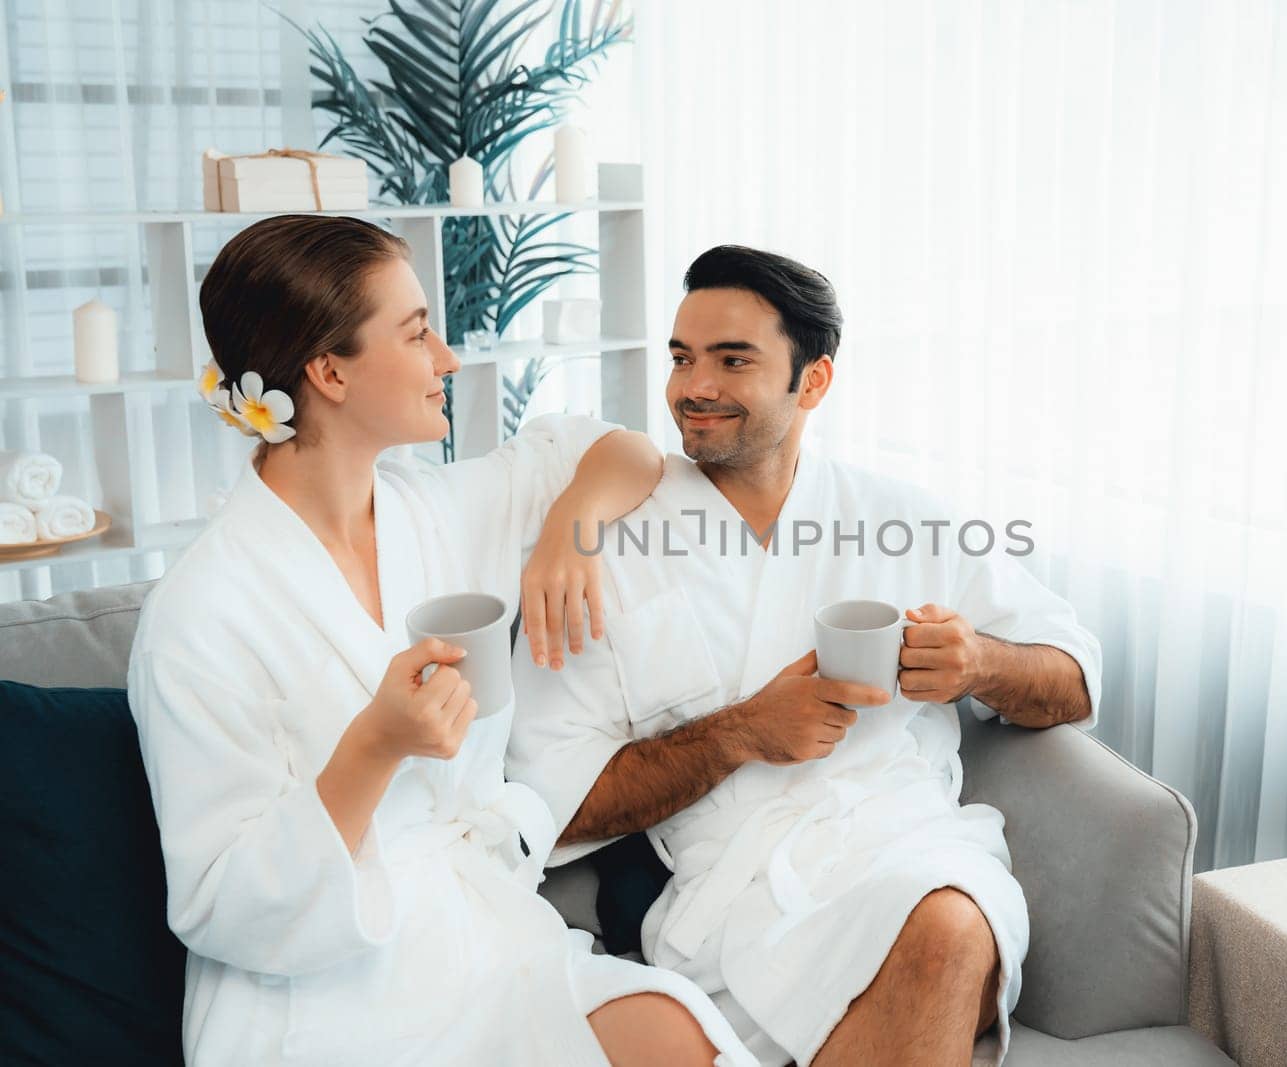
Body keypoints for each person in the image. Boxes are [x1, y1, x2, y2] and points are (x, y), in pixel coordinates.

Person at [127, 216, 755, 1067]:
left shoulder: (439, 513)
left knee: (681, 1035)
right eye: (418, 332)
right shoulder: (201, 612)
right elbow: (221, 904)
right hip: (327, 993)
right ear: (328, 370)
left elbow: (619, 450)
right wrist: (373, 747)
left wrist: (571, 524)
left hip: (487, 945)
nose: (448, 358)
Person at [508, 245, 1102, 1067]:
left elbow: (1072, 677)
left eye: (732, 359)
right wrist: (740, 733)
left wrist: (981, 665)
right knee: (930, 954)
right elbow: (549, 800)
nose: (693, 387)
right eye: (681, 358)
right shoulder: (612, 542)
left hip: (907, 843)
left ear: (812, 381)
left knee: (948, 923)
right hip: (733, 900)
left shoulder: (902, 520)